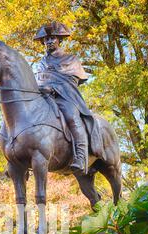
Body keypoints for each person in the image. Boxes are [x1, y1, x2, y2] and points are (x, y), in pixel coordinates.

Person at [34, 21, 105, 175]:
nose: (49, 41)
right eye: (46, 39)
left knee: (72, 117)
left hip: (65, 97)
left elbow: (73, 80)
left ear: (60, 40)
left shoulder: (71, 59)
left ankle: (80, 157)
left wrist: (53, 87)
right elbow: (38, 81)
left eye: (53, 38)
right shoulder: (41, 63)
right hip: (44, 98)